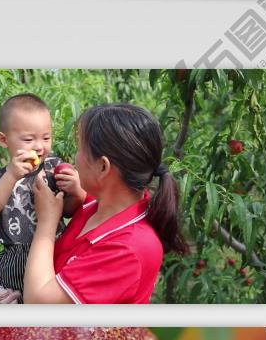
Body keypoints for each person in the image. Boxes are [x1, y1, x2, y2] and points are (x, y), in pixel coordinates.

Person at [23, 102, 188, 304]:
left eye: (80, 149)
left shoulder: (127, 250)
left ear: (103, 166)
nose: (75, 158)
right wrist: (78, 194)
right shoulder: (102, 205)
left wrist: (46, 223)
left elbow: (38, 302)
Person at [0, 93, 84, 304]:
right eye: (29, 139)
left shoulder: (54, 168)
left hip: (53, 253)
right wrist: (11, 175)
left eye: (46, 138)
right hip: (13, 262)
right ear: (3, 140)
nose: (39, 146)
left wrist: (78, 191)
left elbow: (69, 211)